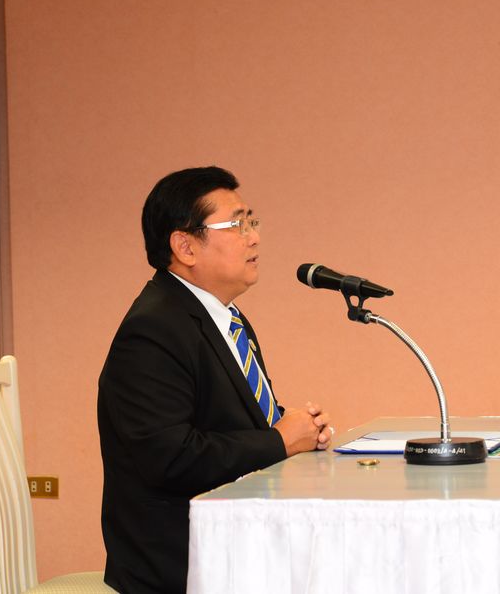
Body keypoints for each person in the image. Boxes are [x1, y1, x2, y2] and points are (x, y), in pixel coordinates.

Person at [97, 166, 333, 593]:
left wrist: (294, 428)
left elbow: (224, 418)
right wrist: (278, 441)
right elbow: (170, 457)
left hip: (234, 540)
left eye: (252, 222)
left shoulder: (224, 318)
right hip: (180, 564)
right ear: (185, 246)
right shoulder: (152, 330)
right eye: (237, 225)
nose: (254, 237)